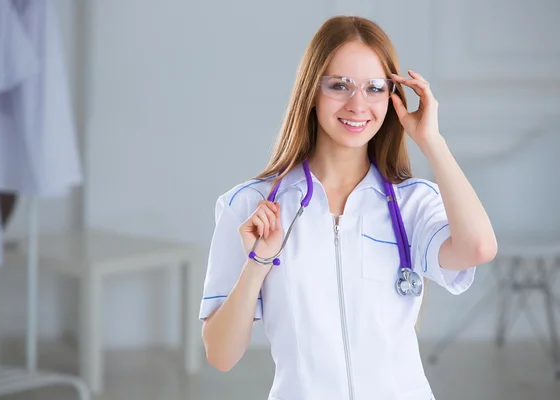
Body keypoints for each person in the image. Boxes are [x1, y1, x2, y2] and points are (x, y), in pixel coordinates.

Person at [199, 15, 497, 400]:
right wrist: (257, 262)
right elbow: (220, 355)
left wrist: (432, 141)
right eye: (339, 85)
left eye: (375, 88)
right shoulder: (251, 208)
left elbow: (479, 248)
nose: (358, 104)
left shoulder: (411, 204)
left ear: (392, 97)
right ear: (312, 91)